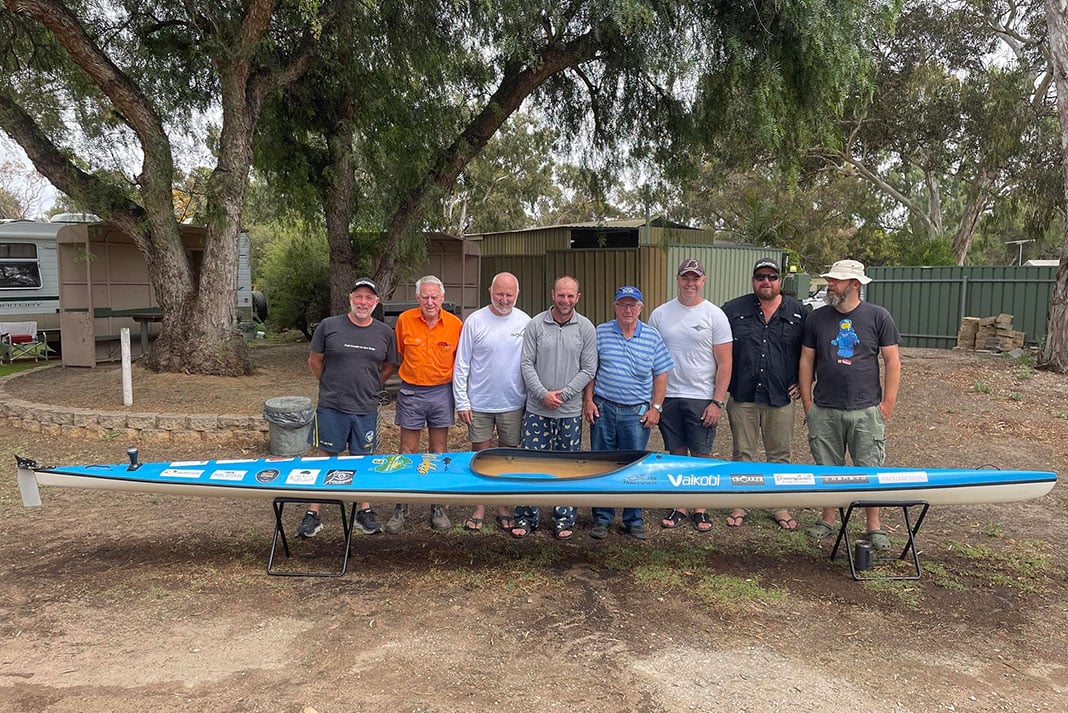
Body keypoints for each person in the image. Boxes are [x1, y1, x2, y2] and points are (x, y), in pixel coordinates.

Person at [799, 259, 901, 551]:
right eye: (831, 279)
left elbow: (892, 361)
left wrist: (887, 404)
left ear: (855, 285)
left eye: (837, 280)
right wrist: (808, 402)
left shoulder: (877, 317)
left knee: (869, 469)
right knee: (827, 468)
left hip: (866, 408)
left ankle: (874, 527)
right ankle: (828, 518)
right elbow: (806, 360)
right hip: (825, 407)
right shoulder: (817, 318)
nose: (831, 284)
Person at [296, 278, 398, 538]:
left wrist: (372, 385)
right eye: (359, 297)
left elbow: (388, 366)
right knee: (325, 455)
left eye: (369, 298)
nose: (363, 302)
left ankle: (363, 512)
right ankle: (313, 514)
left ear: (375, 303)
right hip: (333, 404)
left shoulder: (385, 333)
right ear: (350, 298)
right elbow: (315, 360)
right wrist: (330, 384)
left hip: (366, 405)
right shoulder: (329, 326)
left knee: (362, 459)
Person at [721, 258, 807, 530]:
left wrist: (807, 382)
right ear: (753, 280)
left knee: (779, 454)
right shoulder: (733, 310)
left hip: (780, 395)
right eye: (760, 276)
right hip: (743, 394)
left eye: (772, 276)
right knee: (743, 452)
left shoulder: (799, 312)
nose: (766, 281)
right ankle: (740, 503)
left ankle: (779, 505)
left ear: (780, 280)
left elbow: (812, 353)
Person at [648, 258, 732, 534]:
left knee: (701, 453)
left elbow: (725, 363)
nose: (690, 283)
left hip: (701, 396)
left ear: (703, 280)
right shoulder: (660, 314)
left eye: (695, 278)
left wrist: (717, 401)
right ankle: (680, 504)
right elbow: (651, 358)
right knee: (676, 452)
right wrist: (654, 401)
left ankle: (700, 507)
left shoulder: (714, 315)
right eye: (686, 277)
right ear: (678, 279)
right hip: (669, 394)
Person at [584, 285, 673, 540]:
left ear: (640, 308)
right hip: (603, 407)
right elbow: (591, 369)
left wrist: (656, 408)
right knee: (602, 463)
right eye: (622, 304)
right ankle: (602, 517)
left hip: (636, 412)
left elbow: (661, 373)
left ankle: (633, 518)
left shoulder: (652, 336)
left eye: (633, 305)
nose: (628, 309)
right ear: (615, 307)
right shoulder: (600, 332)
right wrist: (588, 401)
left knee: (635, 466)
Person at [512, 276, 598, 540]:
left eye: (570, 296)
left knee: (567, 467)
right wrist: (542, 394)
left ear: (578, 298)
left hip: (570, 412)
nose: (565, 301)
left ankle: (563, 518)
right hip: (538, 410)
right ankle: (526, 516)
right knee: (531, 465)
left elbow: (589, 368)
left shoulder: (585, 328)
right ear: (553, 294)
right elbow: (526, 363)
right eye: (561, 295)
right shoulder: (536, 324)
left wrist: (566, 394)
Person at [384, 275, 464, 534]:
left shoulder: (455, 325)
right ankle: (402, 506)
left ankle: (437, 506)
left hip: (442, 392)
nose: (430, 302)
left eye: (434, 297)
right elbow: (400, 355)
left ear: (442, 298)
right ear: (418, 298)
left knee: (438, 452)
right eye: (425, 297)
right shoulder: (405, 320)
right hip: (411, 392)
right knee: (407, 451)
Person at [453, 272, 530, 532]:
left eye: (509, 295)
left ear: (517, 295)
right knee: (481, 457)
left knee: (509, 458)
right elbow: (462, 363)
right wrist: (462, 401)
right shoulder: (475, 321)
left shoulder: (525, 322)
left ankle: (504, 506)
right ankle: (479, 506)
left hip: (513, 402)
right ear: (490, 291)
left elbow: (530, 364)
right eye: (500, 293)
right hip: (480, 403)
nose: (504, 299)